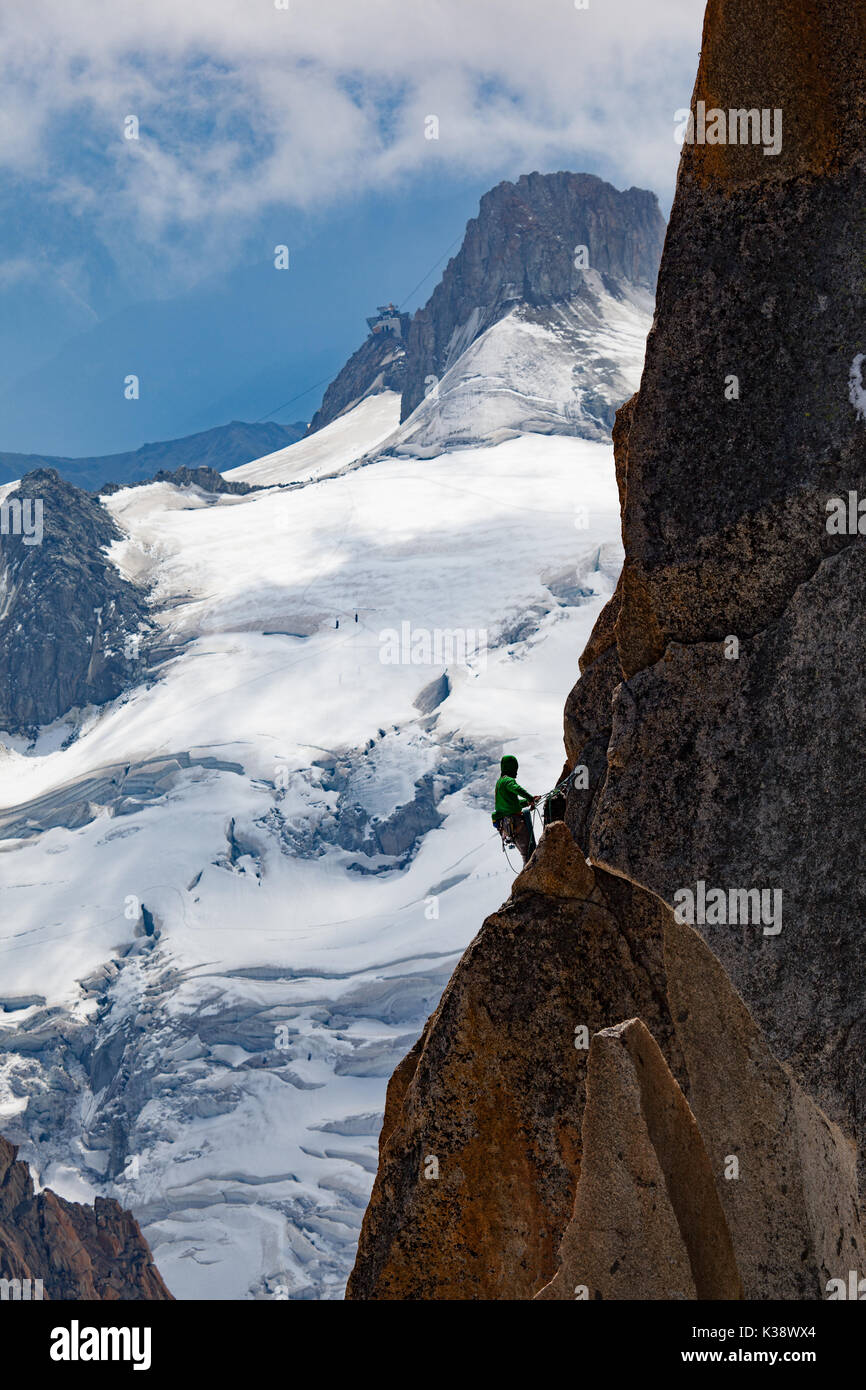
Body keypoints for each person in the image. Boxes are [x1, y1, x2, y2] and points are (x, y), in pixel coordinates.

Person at [492, 754, 538, 864]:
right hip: (516, 822)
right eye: (515, 769)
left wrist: (527, 802)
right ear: (511, 768)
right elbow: (516, 789)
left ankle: (527, 879)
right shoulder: (508, 781)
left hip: (507, 825)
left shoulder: (500, 783)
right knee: (529, 853)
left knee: (526, 855)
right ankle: (528, 880)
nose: (516, 772)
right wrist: (530, 798)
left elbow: (511, 804)